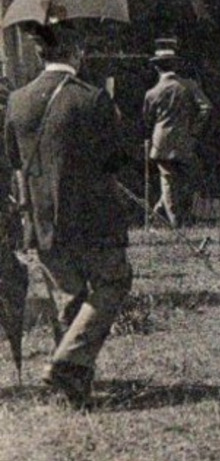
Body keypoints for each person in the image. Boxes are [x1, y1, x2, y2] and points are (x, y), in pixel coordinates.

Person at [4, 23, 132, 407]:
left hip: (41, 218)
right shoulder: (91, 99)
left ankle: (74, 388)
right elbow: (115, 158)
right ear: (77, 53)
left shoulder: (18, 100)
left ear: (41, 55)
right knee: (113, 280)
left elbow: (13, 159)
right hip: (92, 217)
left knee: (68, 297)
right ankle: (68, 361)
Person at [142, 41, 212, 228]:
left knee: (168, 183)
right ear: (176, 65)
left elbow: (147, 120)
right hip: (184, 141)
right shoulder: (189, 86)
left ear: (156, 68)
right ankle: (168, 221)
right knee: (180, 182)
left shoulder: (152, 93)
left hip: (161, 143)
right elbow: (206, 107)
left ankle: (170, 222)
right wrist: (194, 131)